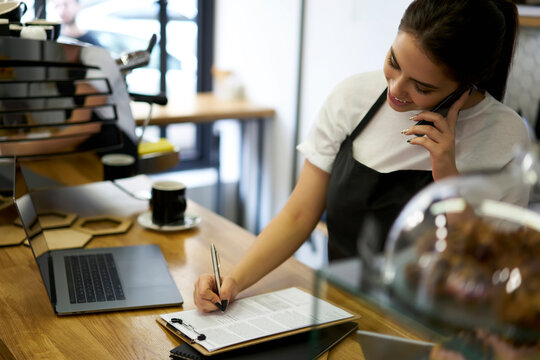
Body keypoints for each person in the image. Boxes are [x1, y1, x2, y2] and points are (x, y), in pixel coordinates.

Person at [194, 0, 530, 313]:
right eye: (393, 63)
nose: (396, 90)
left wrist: (447, 177)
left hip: (438, 329)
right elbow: (298, 215)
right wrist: (234, 280)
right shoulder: (353, 98)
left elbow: (493, 272)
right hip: (338, 309)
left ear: (467, 84)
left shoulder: (506, 138)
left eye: (422, 88)